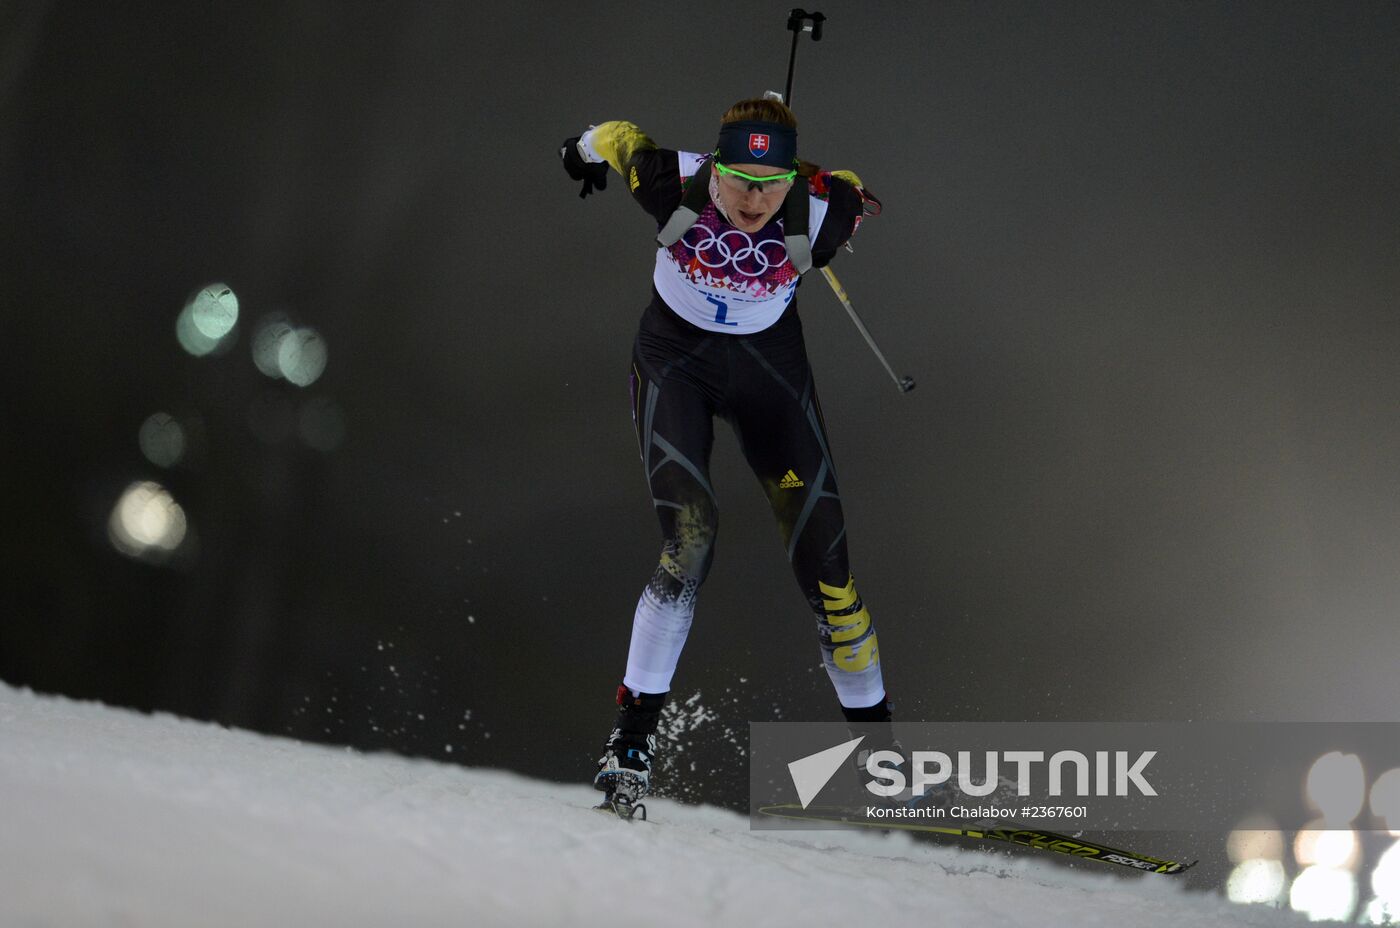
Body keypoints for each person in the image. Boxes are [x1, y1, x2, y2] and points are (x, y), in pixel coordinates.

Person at [559, 98, 891, 815]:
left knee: (829, 571)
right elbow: (617, 139)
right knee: (691, 536)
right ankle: (631, 742)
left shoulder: (821, 210)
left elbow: (856, 190)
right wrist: (578, 151)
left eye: (770, 186)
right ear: (715, 168)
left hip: (769, 371)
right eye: (738, 180)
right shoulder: (668, 177)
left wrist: (835, 188)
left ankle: (881, 755)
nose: (752, 201)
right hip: (674, 360)